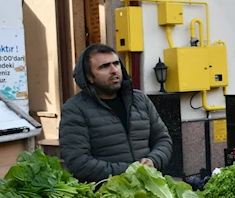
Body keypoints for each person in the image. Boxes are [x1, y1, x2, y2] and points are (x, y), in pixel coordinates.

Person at [60, 43, 173, 183]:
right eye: (104, 67)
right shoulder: (75, 109)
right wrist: (129, 171)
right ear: (89, 77)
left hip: (149, 187)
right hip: (107, 196)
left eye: (116, 64)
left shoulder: (140, 100)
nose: (114, 70)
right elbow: (78, 161)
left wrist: (153, 160)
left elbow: (163, 139)